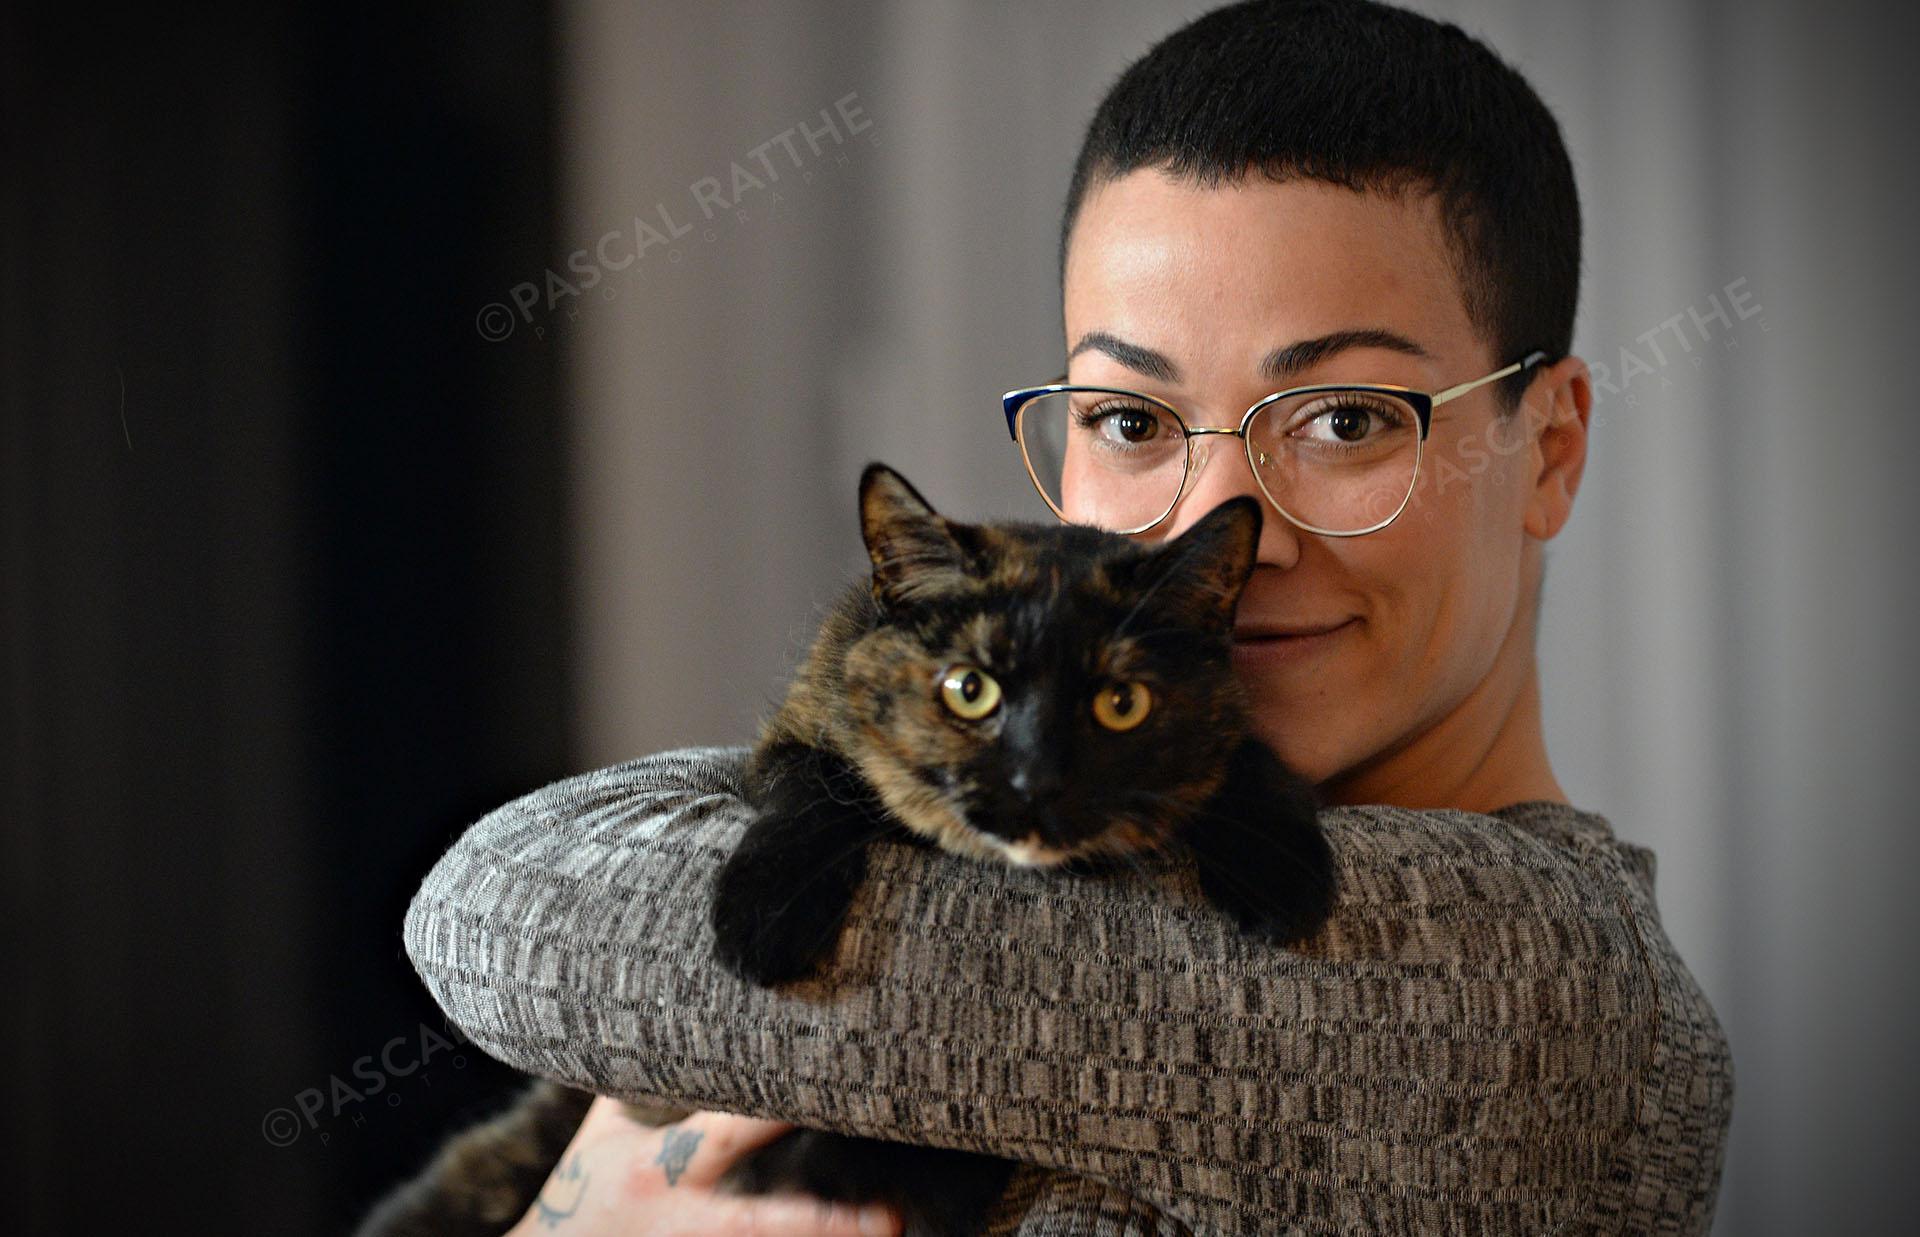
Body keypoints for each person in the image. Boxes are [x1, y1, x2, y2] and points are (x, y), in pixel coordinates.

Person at [406, 1, 1733, 1232]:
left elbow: (506, 913)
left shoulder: (1537, 989)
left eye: (1345, 419)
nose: (1228, 527)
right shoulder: (1101, 825)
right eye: (1132, 420)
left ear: (1549, 449)